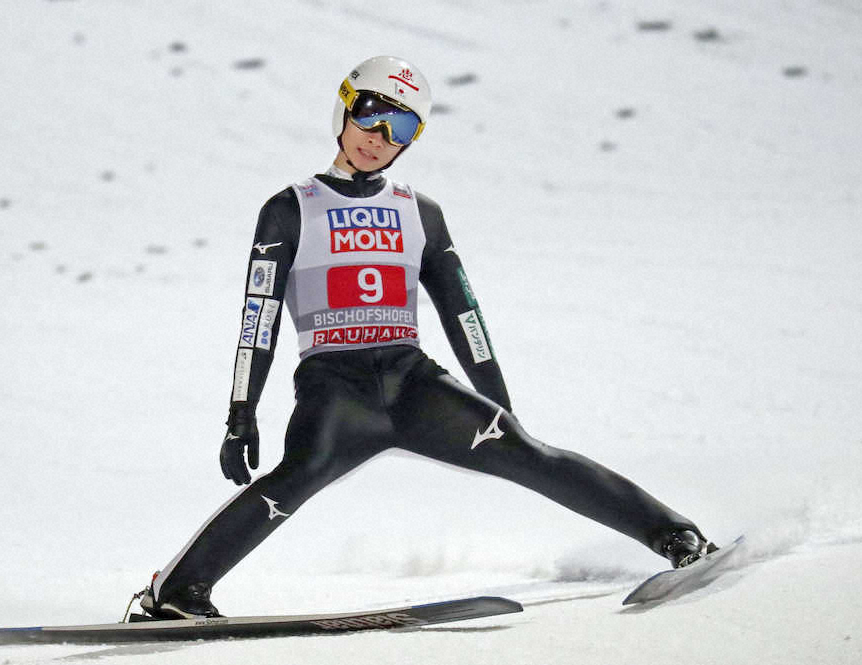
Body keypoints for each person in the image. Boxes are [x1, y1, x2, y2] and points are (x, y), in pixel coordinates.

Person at [137, 55, 715, 619]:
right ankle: (173, 594)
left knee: (535, 458)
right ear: (343, 109)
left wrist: (500, 404)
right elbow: (256, 321)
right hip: (336, 389)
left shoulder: (420, 211)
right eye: (369, 113)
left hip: (413, 384)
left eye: (401, 126)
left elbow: (465, 314)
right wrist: (241, 413)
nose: (379, 135)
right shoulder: (290, 209)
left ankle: (680, 539)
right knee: (292, 481)